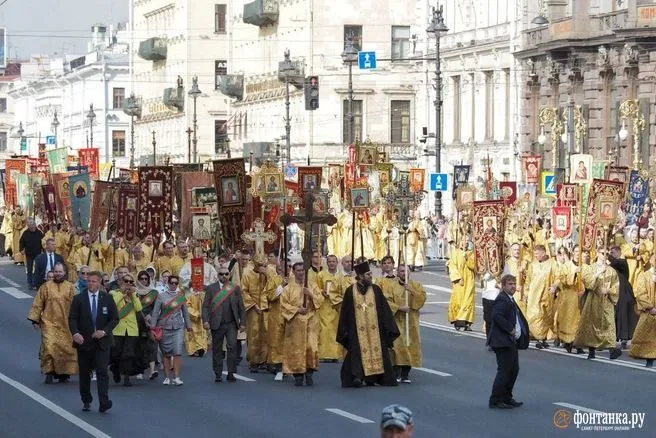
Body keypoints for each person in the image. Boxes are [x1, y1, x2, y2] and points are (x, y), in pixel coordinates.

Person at [337, 261, 399, 388]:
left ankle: (373, 378)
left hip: (375, 330)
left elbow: (384, 310)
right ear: (360, 276)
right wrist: (345, 330)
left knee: (378, 351)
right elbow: (345, 313)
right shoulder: (350, 291)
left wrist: (388, 327)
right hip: (356, 330)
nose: (371, 276)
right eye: (367, 274)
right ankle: (357, 377)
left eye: (371, 274)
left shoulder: (376, 290)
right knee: (356, 352)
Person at [68, 271, 119, 413]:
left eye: (94, 281)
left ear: (100, 282)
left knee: (102, 371)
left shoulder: (107, 298)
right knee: (85, 373)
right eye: (89, 281)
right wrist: (75, 333)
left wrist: (104, 331)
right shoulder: (79, 299)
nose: (91, 284)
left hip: (102, 342)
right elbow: (72, 318)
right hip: (84, 342)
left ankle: (104, 402)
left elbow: (114, 319)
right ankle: (86, 400)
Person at [27, 263, 78, 384]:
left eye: (60, 272)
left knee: (66, 349)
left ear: (64, 273)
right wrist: (35, 319)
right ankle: (49, 372)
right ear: (53, 272)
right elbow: (38, 303)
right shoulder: (45, 287)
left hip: (66, 323)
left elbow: (76, 305)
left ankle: (64, 374)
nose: (58, 274)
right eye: (56, 271)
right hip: (49, 322)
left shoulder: (70, 287)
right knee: (49, 347)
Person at [487, 274, 529, 409]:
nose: (513, 286)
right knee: (504, 370)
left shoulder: (509, 299)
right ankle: (496, 399)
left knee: (513, 370)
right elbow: (497, 316)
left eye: (514, 284)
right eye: (510, 284)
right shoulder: (502, 299)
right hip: (502, 341)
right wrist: (510, 329)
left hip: (510, 341)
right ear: (503, 286)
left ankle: (506, 396)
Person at [573, 249, 622, 360]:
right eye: (602, 253)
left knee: (609, 324)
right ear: (598, 254)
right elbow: (588, 283)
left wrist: (608, 291)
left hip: (606, 301)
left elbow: (616, 286)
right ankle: (591, 350)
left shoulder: (611, 271)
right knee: (592, 324)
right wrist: (598, 273)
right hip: (593, 300)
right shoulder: (590, 268)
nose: (605, 256)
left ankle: (612, 349)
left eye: (607, 254)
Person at [281, 262, 323, 386]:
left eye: (302, 270)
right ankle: (298, 374)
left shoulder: (312, 285)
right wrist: (297, 310)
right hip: (296, 322)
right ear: (293, 272)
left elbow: (320, 300)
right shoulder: (288, 288)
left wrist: (310, 294)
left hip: (310, 320)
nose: (300, 272)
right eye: (298, 270)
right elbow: (283, 304)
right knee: (296, 348)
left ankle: (309, 372)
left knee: (311, 346)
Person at [203, 265, 246, 382]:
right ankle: (218, 373)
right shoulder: (211, 288)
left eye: (226, 274)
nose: (224, 276)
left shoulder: (235, 288)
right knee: (217, 350)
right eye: (221, 274)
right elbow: (206, 306)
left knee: (232, 347)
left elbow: (241, 307)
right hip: (217, 324)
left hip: (231, 323)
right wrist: (205, 321)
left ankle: (231, 372)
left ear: (229, 275)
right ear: (218, 276)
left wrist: (243, 323)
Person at [150, 274, 192, 385]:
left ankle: (177, 377)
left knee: (177, 352)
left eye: (176, 283)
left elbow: (185, 313)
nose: (173, 285)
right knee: (166, 353)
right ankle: (167, 377)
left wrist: (189, 327)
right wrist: (153, 328)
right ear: (168, 283)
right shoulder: (161, 296)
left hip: (178, 327)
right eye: (171, 283)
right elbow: (155, 313)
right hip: (164, 327)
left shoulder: (181, 296)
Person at [179, 246, 218, 357]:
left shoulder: (209, 267)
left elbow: (214, 279)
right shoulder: (187, 266)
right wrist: (189, 282)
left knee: (204, 319)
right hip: (191, 295)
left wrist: (207, 286)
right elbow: (181, 278)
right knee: (191, 320)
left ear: (203, 253)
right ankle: (192, 348)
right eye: (195, 252)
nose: (197, 254)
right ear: (192, 253)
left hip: (204, 295)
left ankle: (202, 345)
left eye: (200, 252)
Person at [391, 264, 426, 383]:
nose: (403, 273)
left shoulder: (416, 285)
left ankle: (406, 374)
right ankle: (396, 372)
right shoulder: (392, 286)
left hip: (411, 321)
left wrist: (411, 290)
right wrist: (399, 307)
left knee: (410, 346)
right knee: (398, 346)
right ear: (397, 273)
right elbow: (387, 301)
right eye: (401, 271)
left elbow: (421, 300)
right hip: (398, 321)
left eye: (405, 271)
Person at [241, 253, 276, 372]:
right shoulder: (248, 275)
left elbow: (276, 287)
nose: (261, 266)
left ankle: (266, 360)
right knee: (254, 334)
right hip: (253, 308)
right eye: (259, 264)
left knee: (267, 334)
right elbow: (244, 291)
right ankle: (254, 361)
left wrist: (268, 276)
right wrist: (253, 305)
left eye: (263, 264)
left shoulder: (270, 273)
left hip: (267, 307)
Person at [109, 273, 143, 387]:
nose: (128, 283)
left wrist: (133, 295)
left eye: (130, 282)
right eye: (126, 281)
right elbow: (113, 305)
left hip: (132, 329)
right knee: (116, 353)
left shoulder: (134, 294)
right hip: (118, 329)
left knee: (128, 354)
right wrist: (122, 293)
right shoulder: (114, 293)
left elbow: (138, 308)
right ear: (121, 282)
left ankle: (127, 377)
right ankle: (115, 369)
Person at [523, 244, 557, 349]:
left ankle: (544, 338)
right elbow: (528, 280)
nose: (536, 256)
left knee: (546, 317)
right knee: (536, 316)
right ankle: (539, 338)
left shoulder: (552, 264)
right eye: (535, 254)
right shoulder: (532, 265)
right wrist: (526, 292)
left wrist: (555, 286)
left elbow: (558, 276)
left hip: (547, 295)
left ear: (544, 253)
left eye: (538, 254)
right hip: (534, 296)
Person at [316, 255, 345, 362]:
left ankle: (336, 354)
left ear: (337, 262)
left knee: (335, 329)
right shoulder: (321, 275)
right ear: (326, 263)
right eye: (329, 261)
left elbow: (344, 290)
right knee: (324, 329)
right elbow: (316, 289)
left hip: (337, 306)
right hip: (325, 305)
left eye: (333, 261)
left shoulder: (341, 276)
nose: (331, 263)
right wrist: (321, 292)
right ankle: (323, 354)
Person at [628, 257, 656, 367]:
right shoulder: (644, 276)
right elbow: (640, 293)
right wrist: (650, 307)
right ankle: (649, 358)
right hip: (649, 311)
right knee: (646, 335)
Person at [609, 245, 637, 349]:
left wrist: (609, 257)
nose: (611, 255)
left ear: (618, 252)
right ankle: (615, 336)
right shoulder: (613, 263)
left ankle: (624, 337)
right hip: (614, 290)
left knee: (623, 313)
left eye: (613, 252)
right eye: (611, 253)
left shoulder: (622, 262)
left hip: (624, 291)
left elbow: (616, 263)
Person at [135, 270, 159, 380]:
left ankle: (152, 370)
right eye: (142, 279)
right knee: (138, 345)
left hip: (150, 321)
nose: (144, 281)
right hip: (137, 321)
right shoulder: (134, 292)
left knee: (151, 344)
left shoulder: (153, 292)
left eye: (146, 279)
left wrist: (151, 315)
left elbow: (157, 307)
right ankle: (139, 370)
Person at [448, 239, 476, 331]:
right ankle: (458, 320)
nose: (465, 243)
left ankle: (466, 320)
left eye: (467, 242)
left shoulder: (471, 253)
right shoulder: (455, 252)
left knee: (468, 300)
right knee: (459, 300)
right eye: (464, 241)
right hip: (459, 281)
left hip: (469, 280)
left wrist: (467, 258)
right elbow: (451, 266)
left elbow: (473, 266)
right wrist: (458, 278)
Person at [19, 218, 44, 290]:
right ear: (28, 226)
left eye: (33, 224)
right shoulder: (25, 233)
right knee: (29, 269)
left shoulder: (39, 233)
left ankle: (36, 283)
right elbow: (21, 242)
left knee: (37, 269)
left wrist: (44, 251)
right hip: (29, 254)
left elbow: (43, 242)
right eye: (30, 225)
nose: (31, 226)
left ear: (35, 225)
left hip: (38, 253)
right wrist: (21, 250)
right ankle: (30, 283)